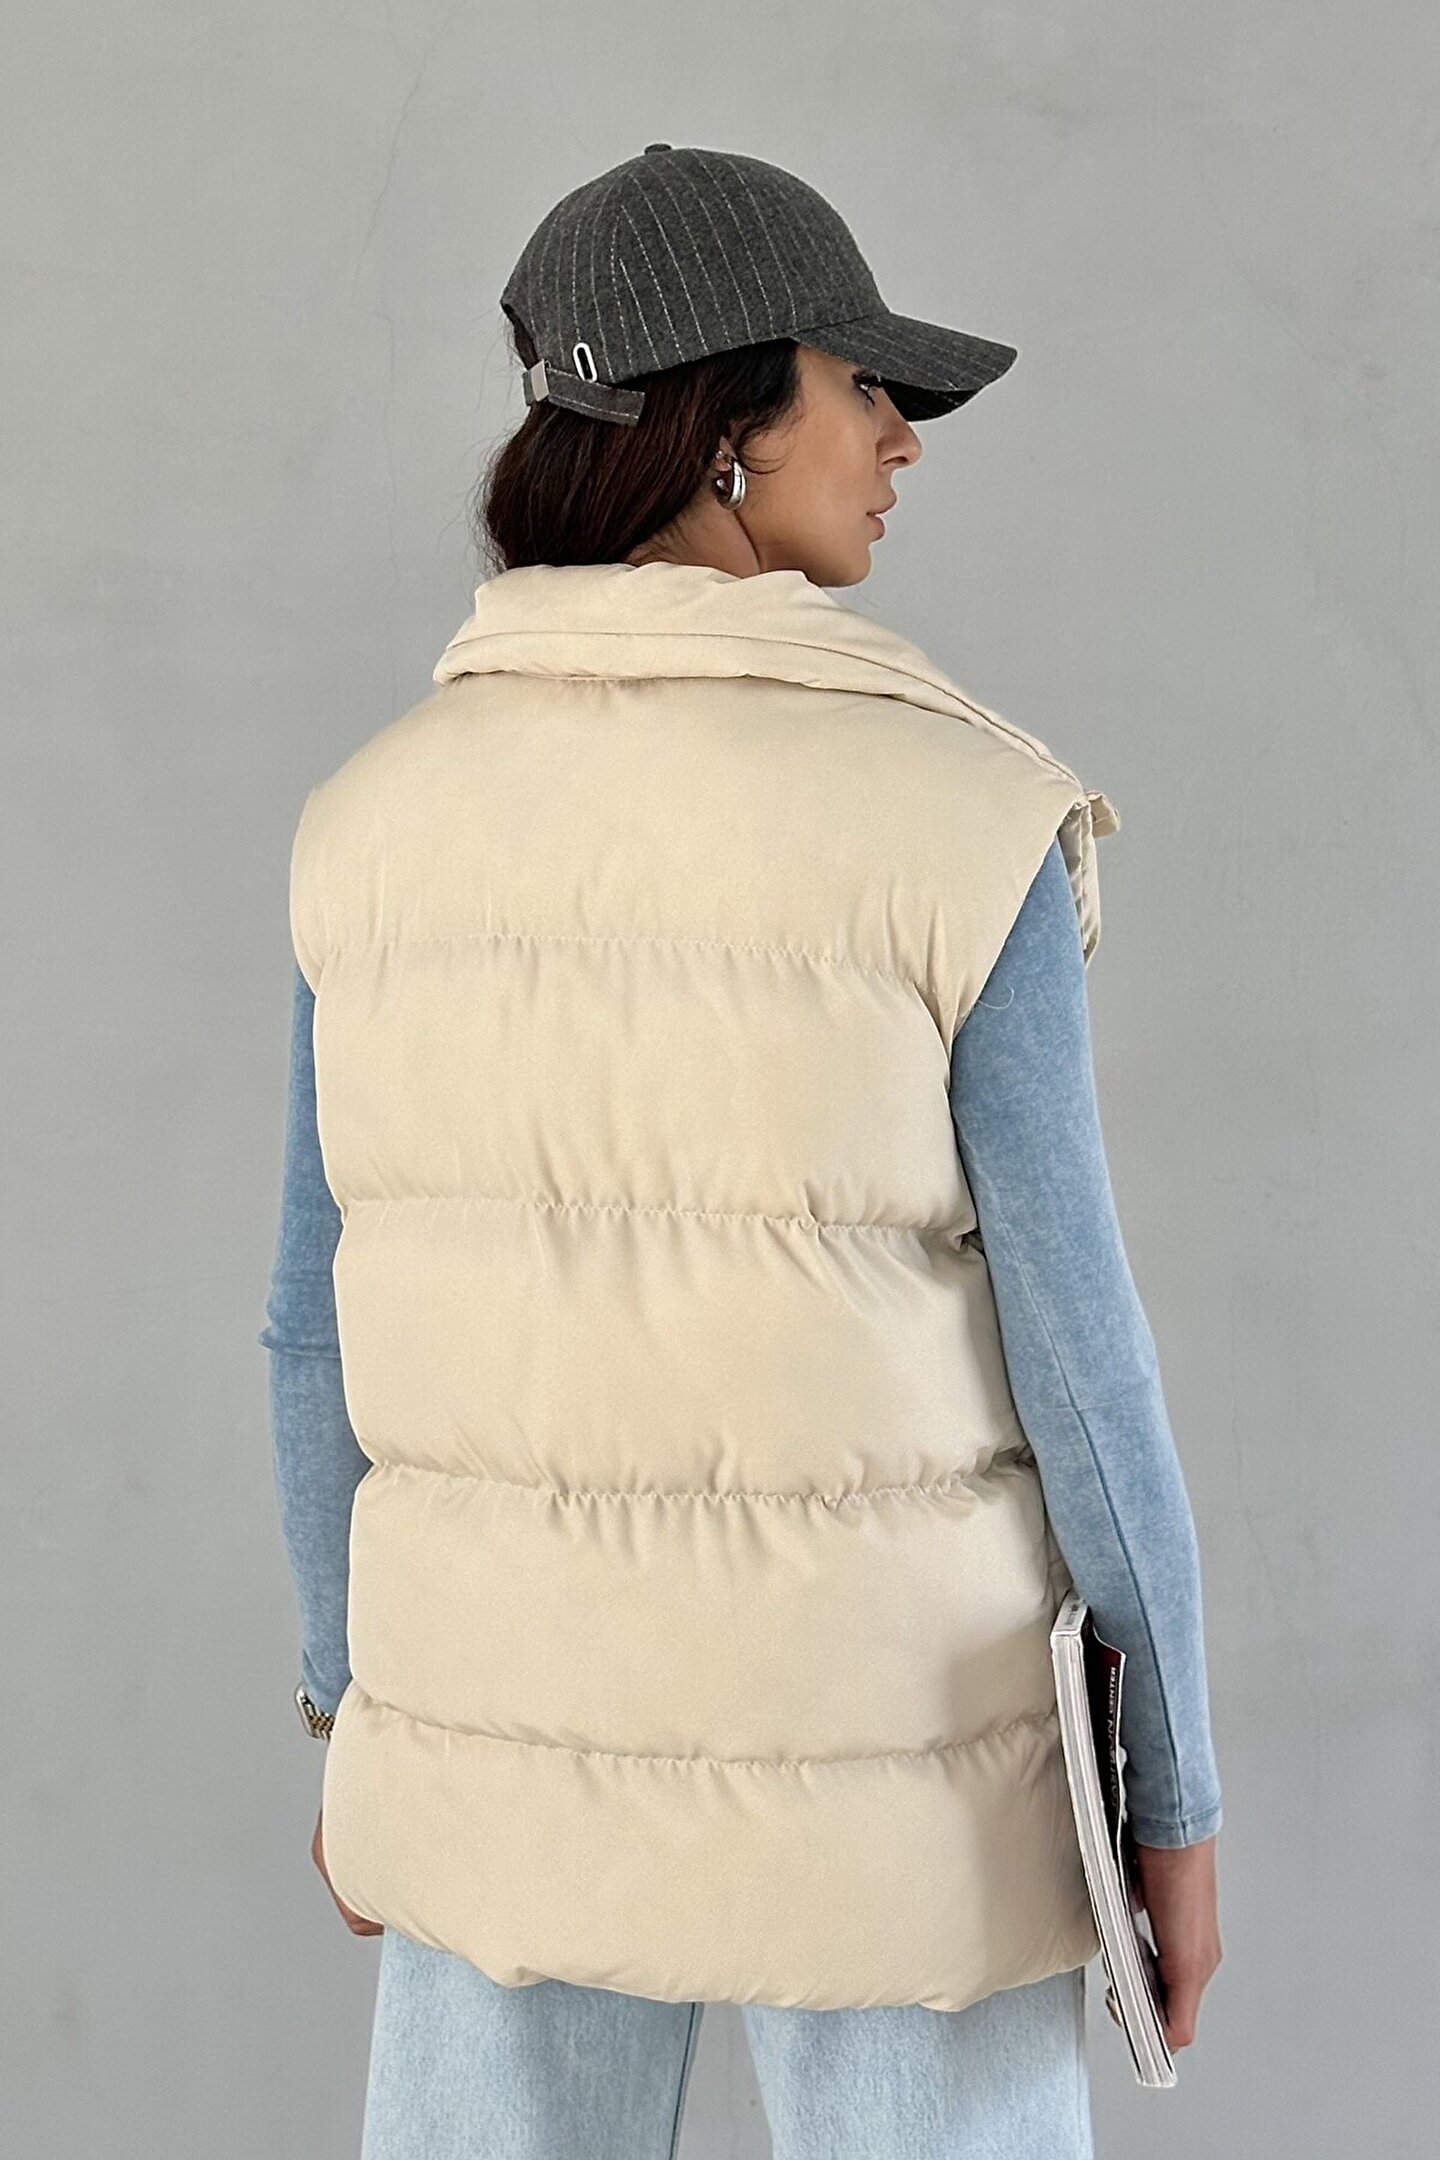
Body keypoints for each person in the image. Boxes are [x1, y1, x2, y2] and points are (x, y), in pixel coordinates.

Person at [260, 144, 1223, 2159]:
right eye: (864, 385)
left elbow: (306, 1327)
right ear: (720, 424)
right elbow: (1083, 1365)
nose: (903, 440)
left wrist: (363, 1715)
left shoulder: (370, 827)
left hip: (494, 1749)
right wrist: (1174, 1794)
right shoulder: (957, 819)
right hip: (897, 1787)